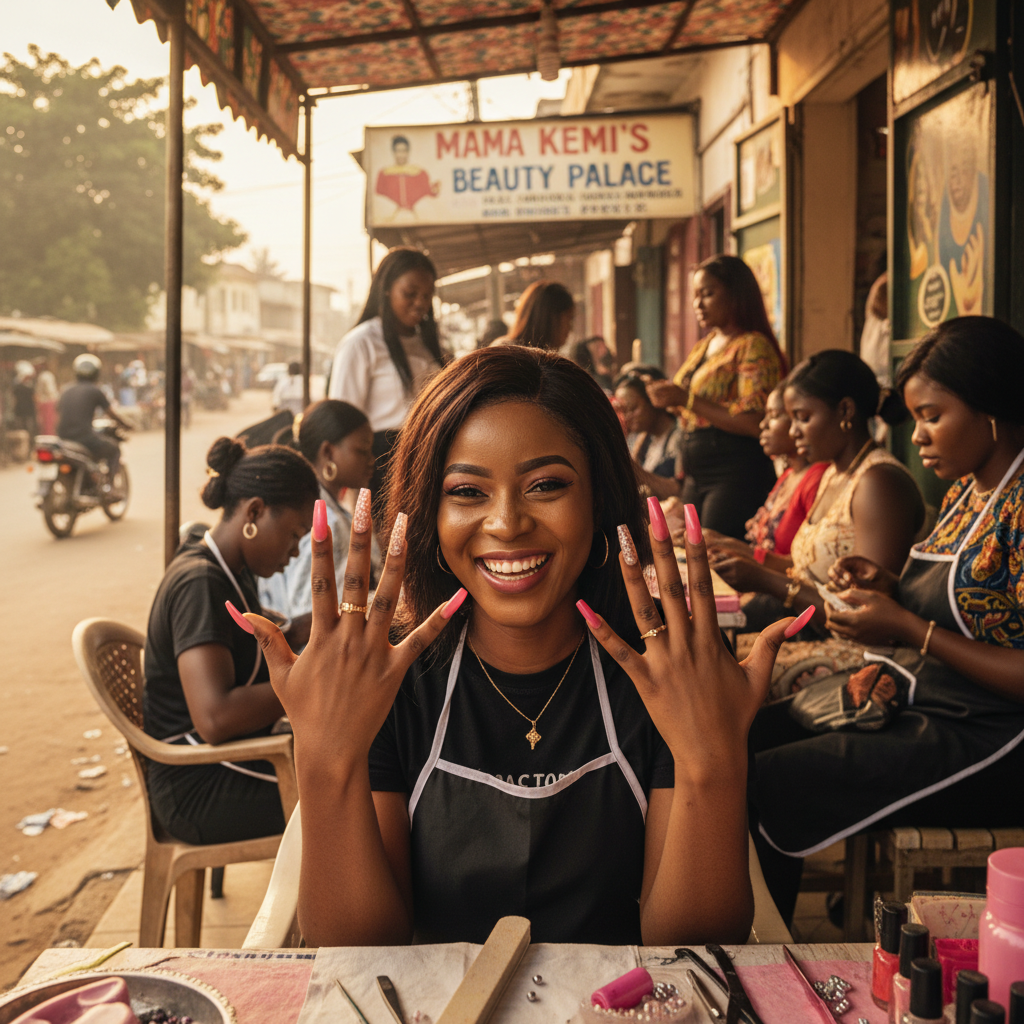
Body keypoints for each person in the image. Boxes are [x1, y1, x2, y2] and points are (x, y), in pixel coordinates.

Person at [238, 345, 810, 948]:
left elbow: (691, 943)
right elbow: (354, 948)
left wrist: (714, 762)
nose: (507, 523)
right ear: (429, 514)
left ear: (600, 500)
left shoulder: (667, 679)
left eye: (546, 485)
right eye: (467, 492)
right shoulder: (387, 684)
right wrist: (324, 758)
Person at [750, 316, 1024, 924]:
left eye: (932, 416)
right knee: (744, 735)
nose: (919, 437)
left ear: (991, 408)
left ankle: (762, 953)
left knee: (773, 780)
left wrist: (906, 626)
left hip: (996, 738)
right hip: (929, 697)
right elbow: (974, 607)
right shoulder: (971, 492)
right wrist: (890, 588)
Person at [143, 437, 319, 845]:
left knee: (362, 762)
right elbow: (215, 717)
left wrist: (318, 627)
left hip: (224, 762)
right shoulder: (200, 581)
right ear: (254, 512)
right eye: (294, 535)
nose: (295, 552)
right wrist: (316, 681)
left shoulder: (230, 569)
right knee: (361, 793)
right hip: (199, 785)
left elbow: (253, 646)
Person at [710, 349, 923, 636]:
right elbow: (806, 569)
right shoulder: (833, 473)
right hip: (804, 622)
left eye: (803, 417)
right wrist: (741, 555)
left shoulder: (878, 483)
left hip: (847, 647)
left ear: (845, 411)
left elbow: (865, 617)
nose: (794, 431)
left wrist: (764, 580)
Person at [646, 254, 787, 539]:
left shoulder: (753, 346)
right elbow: (695, 408)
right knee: (689, 548)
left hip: (733, 470)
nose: (698, 304)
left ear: (735, 295)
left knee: (712, 551)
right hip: (698, 472)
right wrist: (667, 397)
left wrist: (685, 399)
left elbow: (753, 420)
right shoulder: (707, 344)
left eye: (708, 294)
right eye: (695, 296)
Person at [328, 247, 444, 507]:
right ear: (387, 289)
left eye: (427, 296)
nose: (420, 303)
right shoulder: (361, 343)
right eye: (410, 293)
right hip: (381, 471)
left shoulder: (430, 346)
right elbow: (341, 422)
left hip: (426, 465)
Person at [259, 399, 379, 631]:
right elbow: (306, 611)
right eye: (362, 451)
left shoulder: (321, 506)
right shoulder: (324, 521)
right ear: (327, 452)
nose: (371, 461)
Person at [686, 384, 827, 563]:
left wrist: (730, 545)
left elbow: (804, 567)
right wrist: (722, 543)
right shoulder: (789, 475)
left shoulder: (817, 478)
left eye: (774, 416)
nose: (763, 424)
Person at [614, 367, 684, 501]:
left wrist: (632, 469)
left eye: (633, 408)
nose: (627, 417)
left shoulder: (680, 437)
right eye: (623, 411)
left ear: (653, 401)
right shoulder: (640, 441)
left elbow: (681, 493)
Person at [57, 354, 131, 479]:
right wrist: (127, 424)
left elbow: (58, 414)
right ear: (96, 373)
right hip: (83, 437)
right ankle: (109, 487)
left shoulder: (66, 390)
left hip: (63, 438)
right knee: (114, 450)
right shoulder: (95, 391)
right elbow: (111, 414)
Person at [492, 280, 575, 351]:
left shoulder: (508, 349)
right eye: (569, 319)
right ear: (550, 320)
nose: (570, 328)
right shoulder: (507, 352)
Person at [11, 361, 37, 438]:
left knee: (23, 431)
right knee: (24, 431)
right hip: (24, 412)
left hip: (22, 412)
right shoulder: (28, 388)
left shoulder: (18, 387)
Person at [33, 358, 59, 436]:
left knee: (48, 424)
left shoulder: (45, 376)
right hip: (47, 402)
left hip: (47, 402)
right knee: (46, 424)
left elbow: (50, 390)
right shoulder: (45, 375)